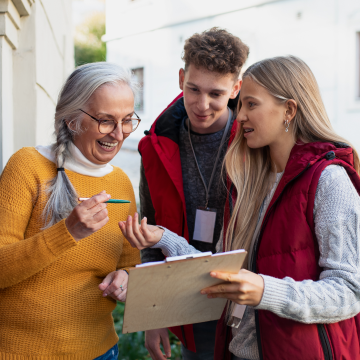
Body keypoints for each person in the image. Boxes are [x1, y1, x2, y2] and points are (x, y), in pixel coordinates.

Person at [120, 55, 360, 360]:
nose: (241, 115)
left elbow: (349, 292)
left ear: (289, 109)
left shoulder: (329, 181)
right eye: (241, 105)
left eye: (250, 104)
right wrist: (163, 239)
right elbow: (221, 270)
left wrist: (263, 291)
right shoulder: (249, 181)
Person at [0, 62, 141, 360]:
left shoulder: (121, 183)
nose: (119, 134)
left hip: (100, 350)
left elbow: (129, 264)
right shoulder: (28, 167)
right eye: (106, 120)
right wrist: (67, 233)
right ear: (72, 120)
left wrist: (125, 279)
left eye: (127, 120)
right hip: (23, 351)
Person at [138, 28, 249, 360]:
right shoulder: (154, 147)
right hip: (189, 302)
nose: (202, 105)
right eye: (193, 89)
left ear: (236, 88)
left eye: (216, 93)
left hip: (252, 303)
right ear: (181, 77)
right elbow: (150, 231)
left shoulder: (257, 140)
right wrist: (153, 313)